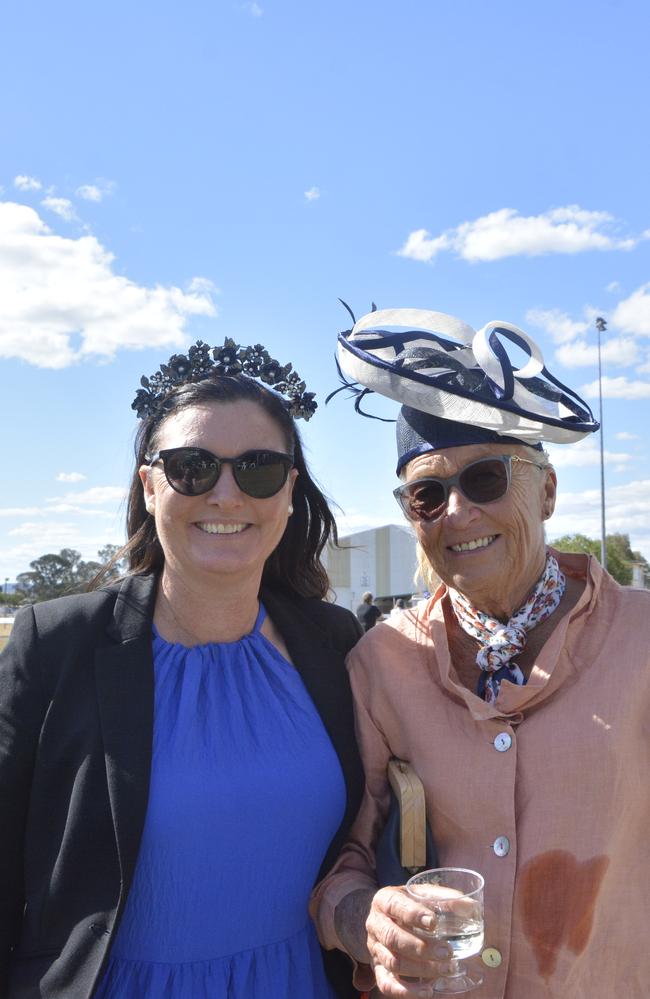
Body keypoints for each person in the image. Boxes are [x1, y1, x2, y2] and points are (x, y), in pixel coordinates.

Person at [0, 338, 365, 999]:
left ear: (288, 489)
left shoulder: (337, 643)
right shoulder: (56, 645)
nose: (225, 493)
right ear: (149, 484)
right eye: (191, 466)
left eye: (257, 468)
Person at [312, 307, 650, 998]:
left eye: (486, 479)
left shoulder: (640, 639)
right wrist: (362, 918)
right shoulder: (381, 663)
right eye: (427, 494)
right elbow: (345, 851)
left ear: (547, 490)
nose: (458, 512)